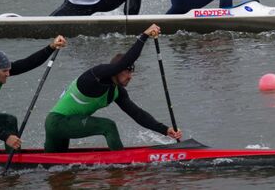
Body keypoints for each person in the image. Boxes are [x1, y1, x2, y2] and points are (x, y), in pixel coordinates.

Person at [44, 24, 182, 152]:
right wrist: (144, 36)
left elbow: (137, 114)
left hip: (67, 125)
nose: (130, 76)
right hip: (57, 122)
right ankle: (122, 164)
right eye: (127, 71)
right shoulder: (94, 76)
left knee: (54, 170)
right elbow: (123, 63)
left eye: (131, 72)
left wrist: (165, 130)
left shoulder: (116, 91)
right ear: (117, 69)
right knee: (108, 126)